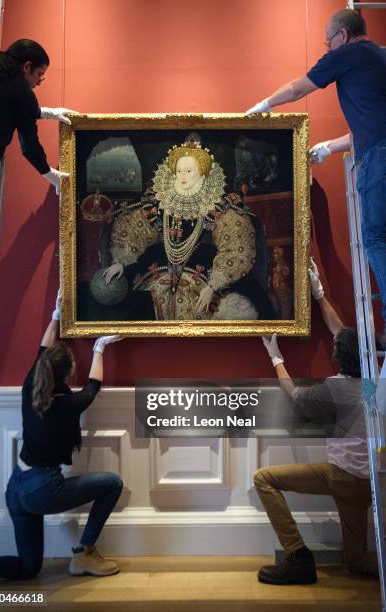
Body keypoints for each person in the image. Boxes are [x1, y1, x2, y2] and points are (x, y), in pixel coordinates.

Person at [245, 9, 386, 330]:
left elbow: (298, 88)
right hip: (379, 151)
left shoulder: (347, 54)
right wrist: (329, 147)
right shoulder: (379, 57)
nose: (327, 48)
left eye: (328, 42)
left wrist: (263, 105)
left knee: (377, 237)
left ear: (343, 36)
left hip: (378, 161)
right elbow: (373, 126)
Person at [0, 292, 123, 579]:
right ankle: (84, 555)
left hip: (17, 487)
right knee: (112, 484)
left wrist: (55, 316)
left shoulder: (31, 386)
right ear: (68, 373)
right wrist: (99, 348)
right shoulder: (66, 405)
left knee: (29, 568)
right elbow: (92, 387)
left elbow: (42, 350)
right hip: (41, 489)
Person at [255, 261, 378, 585]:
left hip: (341, 477)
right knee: (356, 561)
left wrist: (276, 357)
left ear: (339, 357)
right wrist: (319, 293)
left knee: (264, 479)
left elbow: (293, 394)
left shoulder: (334, 389)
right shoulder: (372, 380)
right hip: (369, 482)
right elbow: (341, 333)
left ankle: (298, 557)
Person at [101, 139, 275, 321]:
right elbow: (136, 232)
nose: (182, 176)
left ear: (202, 174)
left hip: (206, 264)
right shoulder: (158, 204)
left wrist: (213, 285)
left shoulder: (217, 207)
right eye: (179, 171)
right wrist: (122, 263)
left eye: (189, 171)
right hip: (159, 262)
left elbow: (235, 243)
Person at [0, 39, 75, 254]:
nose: (40, 81)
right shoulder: (21, 91)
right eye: (39, 73)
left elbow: (3, 104)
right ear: (27, 67)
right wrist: (49, 174)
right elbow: (29, 146)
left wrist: (47, 112)